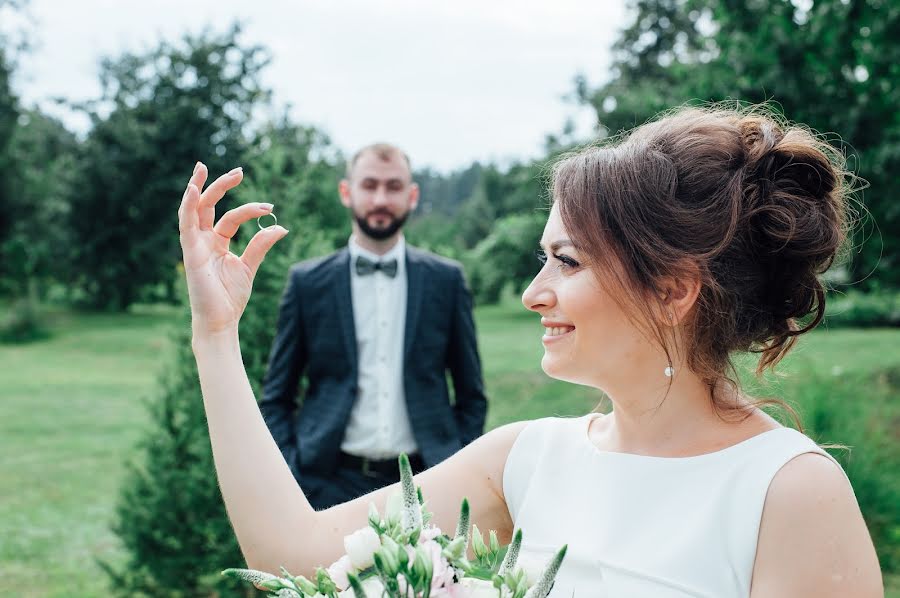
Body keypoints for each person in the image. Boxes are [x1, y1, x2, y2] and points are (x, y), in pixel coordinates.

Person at [178, 105, 883, 597]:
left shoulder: (790, 492)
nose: (532, 293)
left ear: (672, 291)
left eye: (567, 262)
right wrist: (215, 339)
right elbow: (293, 555)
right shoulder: (524, 459)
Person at [258, 143, 487, 508]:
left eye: (394, 187)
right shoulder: (307, 283)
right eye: (369, 185)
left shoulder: (447, 281)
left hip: (431, 481)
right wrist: (293, 469)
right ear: (347, 192)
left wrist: (456, 463)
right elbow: (277, 397)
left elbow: (471, 394)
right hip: (326, 482)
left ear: (412, 196)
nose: (381, 198)